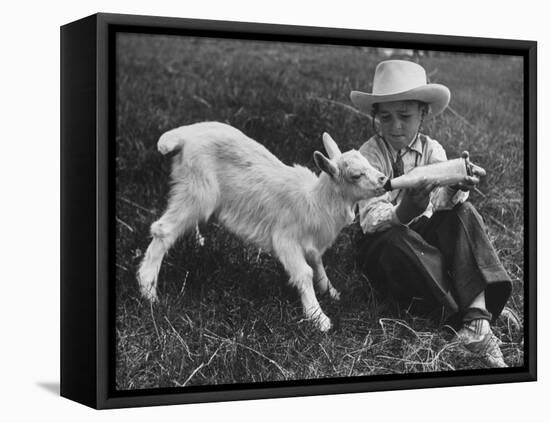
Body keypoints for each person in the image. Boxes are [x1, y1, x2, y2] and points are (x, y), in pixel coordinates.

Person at [350, 60, 512, 368]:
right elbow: (370, 220)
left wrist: (456, 185)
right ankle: (468, 313)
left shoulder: (432, 150)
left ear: (423, 114)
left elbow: (440, 204)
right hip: (385, 249)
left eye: (405, 116)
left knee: (463, 212)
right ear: (375, 117)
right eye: (386, 117)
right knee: (396, 239)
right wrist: (402, 212)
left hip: (424, 240)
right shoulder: (368, 155)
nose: (395, 126)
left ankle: (477, 320)